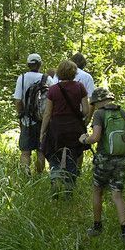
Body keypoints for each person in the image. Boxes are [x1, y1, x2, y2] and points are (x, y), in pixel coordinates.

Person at [79, 88, 125, 246]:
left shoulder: (99, 114)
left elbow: (96, 137)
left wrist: (84, 139)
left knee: (97, 191)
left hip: (104, 159)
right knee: (117, 195)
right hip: (120, 160)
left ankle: (97, 227)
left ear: (97, 101)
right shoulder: (123, 113)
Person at [40, 60, 91, 195]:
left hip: (56, 127)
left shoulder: (53, 89)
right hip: (74, 127)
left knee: (54, 154)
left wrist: (42, 132)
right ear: (74, 73)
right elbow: (86, 110)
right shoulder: (80, 87)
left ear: (59, 72)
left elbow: (47, 113)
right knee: (73, 155)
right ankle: (70, 188)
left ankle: (55, 181)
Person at [12, 53, 49, 174]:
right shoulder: (47, 79)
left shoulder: (22, 78)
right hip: (43, 120)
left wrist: (20, 114)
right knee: (41, 151)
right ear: (40, 64)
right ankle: (39, 176)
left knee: (25, 151)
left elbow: (18, 100)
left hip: (26, 120)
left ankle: (26, 177)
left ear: (28, 65)